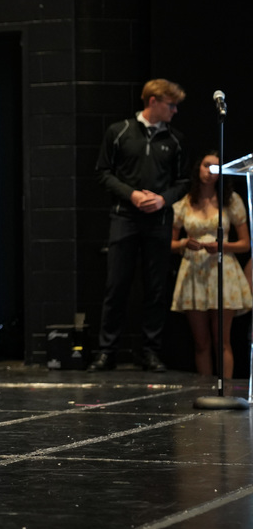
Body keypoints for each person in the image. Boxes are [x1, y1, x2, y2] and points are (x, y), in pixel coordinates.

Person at [91, 79, 187, 373]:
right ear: (153, 101)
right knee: (116, 285)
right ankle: (107, 352)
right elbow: (103, 173)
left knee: (156, 289)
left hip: (158, 221)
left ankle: (149, 351)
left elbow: (183, 182)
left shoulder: (174, 139)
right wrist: (131, 194)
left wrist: (163, 199)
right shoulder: (119, 132)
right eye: (171, 105)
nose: (174, 111)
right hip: (125, 218)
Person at [170, 150, 252, 377]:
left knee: (222, 340)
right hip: (193, 272)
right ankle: (204, 388)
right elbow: (171, 243)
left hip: (222, 270)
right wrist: (185, 243)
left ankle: (224, 392)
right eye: (206, 165)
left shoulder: (230, 201)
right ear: (199, 167)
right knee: (201, 342)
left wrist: (222, 246)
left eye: (215, 168)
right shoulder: (185, 203)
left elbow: (245, 244)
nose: (209, 172)